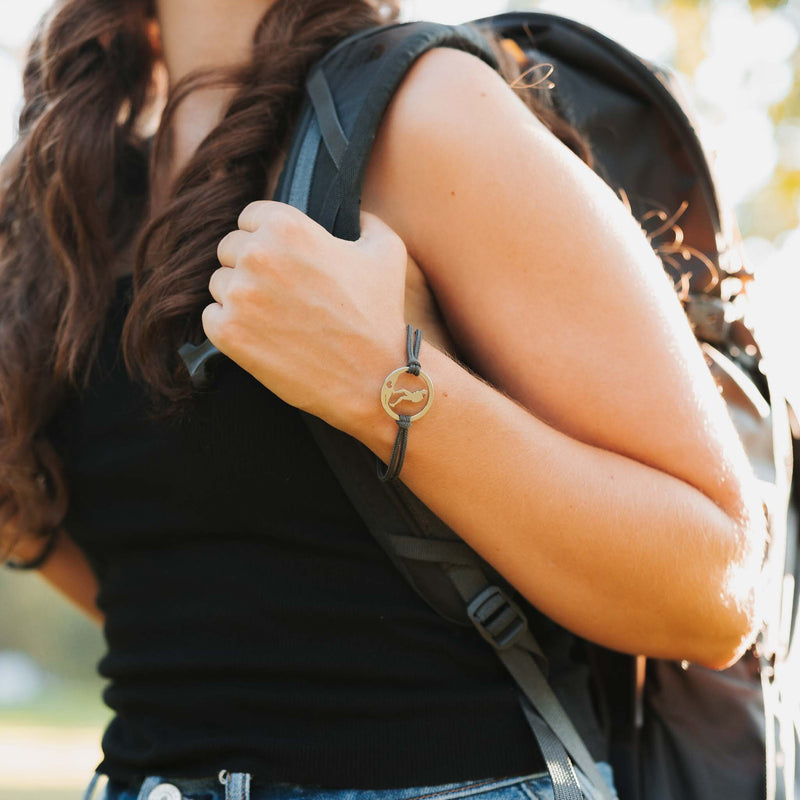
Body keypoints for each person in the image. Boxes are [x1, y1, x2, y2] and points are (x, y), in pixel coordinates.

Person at [0, 1, 768, 799]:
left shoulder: (424, 112)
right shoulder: (70, 201)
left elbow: (712, 586)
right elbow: (178, 595)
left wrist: (383, 384)